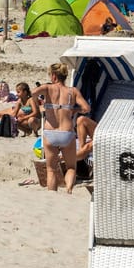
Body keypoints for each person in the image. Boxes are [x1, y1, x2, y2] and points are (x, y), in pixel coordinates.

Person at [36, 62, 91, 193]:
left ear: (54, 76)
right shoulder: (73, 91)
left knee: (51, 169)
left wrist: (42, 105)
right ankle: (69, 190)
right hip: (66, 133)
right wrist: (73, 110)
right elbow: (86, 108)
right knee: (71, 167)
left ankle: (52, 194)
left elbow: (33, 93)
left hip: (50, 132)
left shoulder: (47, 88)